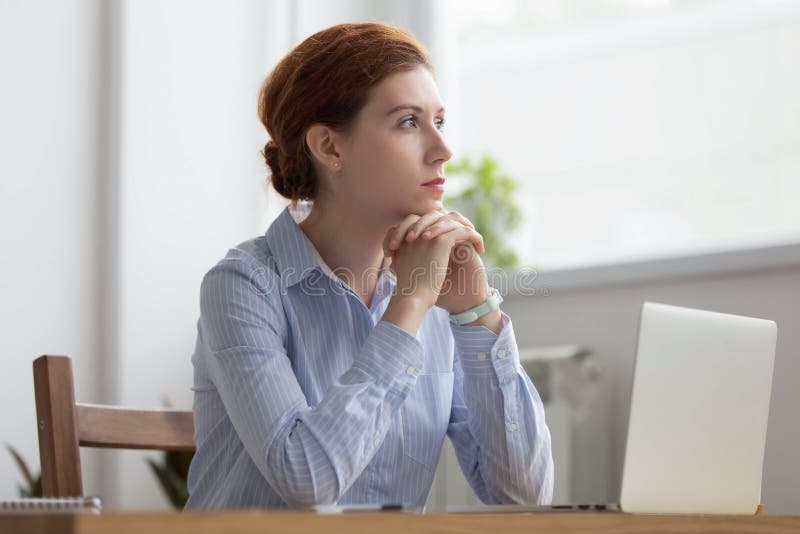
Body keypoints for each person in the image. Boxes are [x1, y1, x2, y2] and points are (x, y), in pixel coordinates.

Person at [185, 22, 553, 510]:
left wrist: (476, 312)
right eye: (408, 122)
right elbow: (306, 481)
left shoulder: (439, 290)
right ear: (330, 148)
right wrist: (411, 303)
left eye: (438, 122)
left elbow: (524, 498)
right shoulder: (242, 285)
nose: (443, 150)